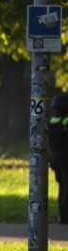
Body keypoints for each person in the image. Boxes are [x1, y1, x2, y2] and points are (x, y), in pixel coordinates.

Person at [49, 93, 68, 224]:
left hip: (56, 159)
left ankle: (62, 216)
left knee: (62, 188)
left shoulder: (52, 121)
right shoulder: (66, 120)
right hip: (66, 158)